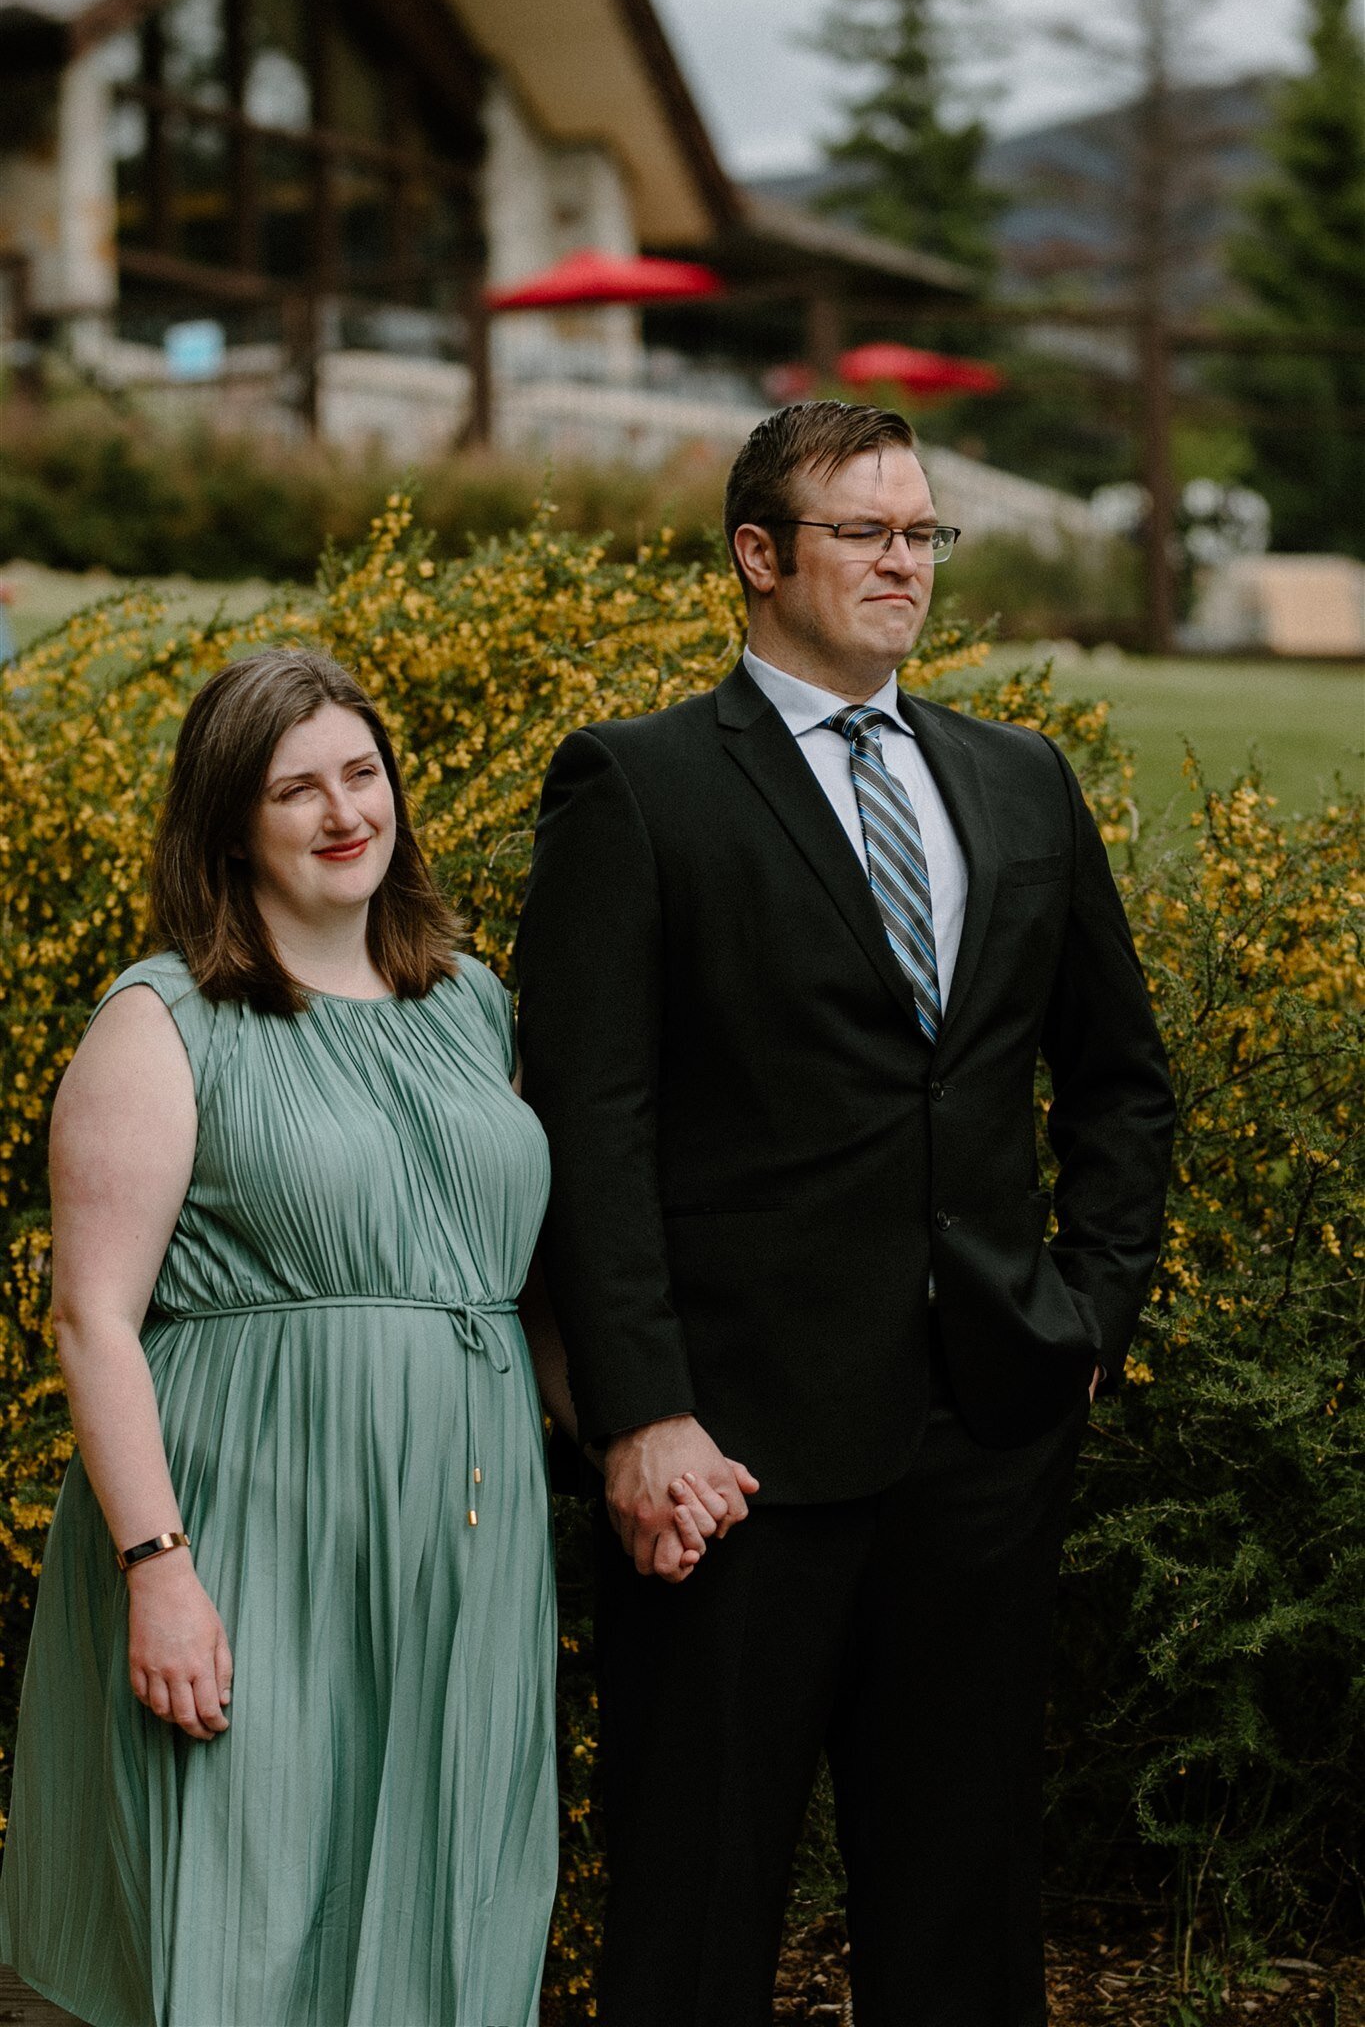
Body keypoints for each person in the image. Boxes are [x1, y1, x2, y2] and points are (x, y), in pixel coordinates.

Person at [514, 400, 1176, 2026]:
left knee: (961, 1909)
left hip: (983, 1437)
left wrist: (1084, 1320)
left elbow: (1119, 1084)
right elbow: (587, 1127)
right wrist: (639, 1412)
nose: (907, 564)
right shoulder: (638, 787)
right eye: (867, 532)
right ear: (757, 556)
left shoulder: (1019, 783)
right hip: (731, 1459)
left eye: (923, 534)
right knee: (697, 1904)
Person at [0, 647, 561, 2027]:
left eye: (360, 774)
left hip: (465, 1533)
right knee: (245, 1896)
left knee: (451, 1881)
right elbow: (95, 1320)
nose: (340, 812)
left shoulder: (468, 1003)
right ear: (227, 824)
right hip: (251, 1527)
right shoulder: (162, 1021)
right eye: (293, 789)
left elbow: (509, 1274)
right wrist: (158, 1570)